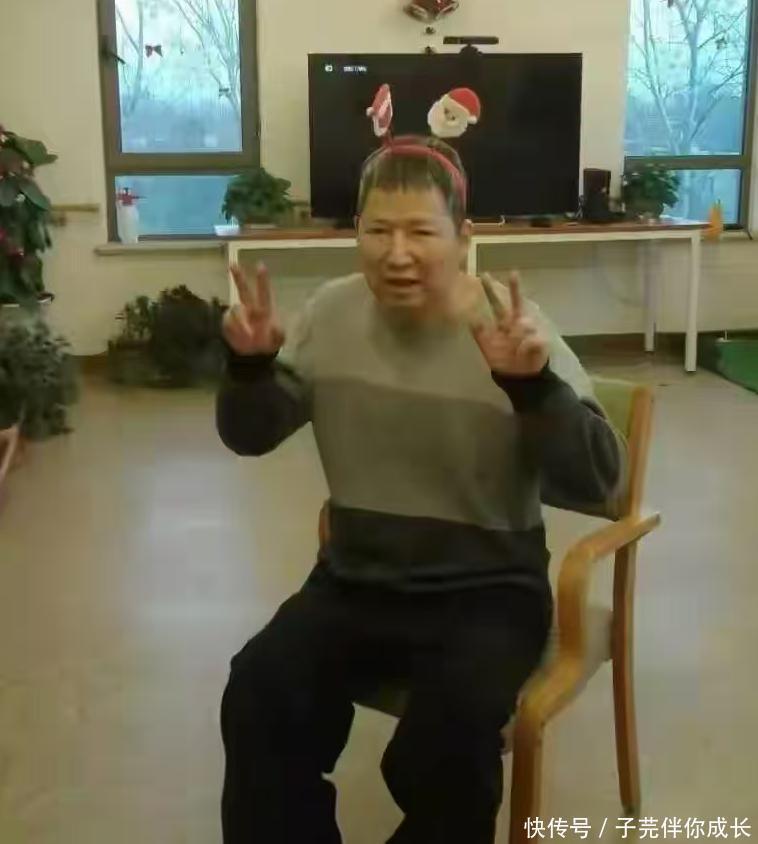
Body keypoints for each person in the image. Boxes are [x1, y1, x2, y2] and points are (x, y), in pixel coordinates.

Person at [216, 135, 624, 844]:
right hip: (355, 581)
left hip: (488, 593)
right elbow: (252, 435)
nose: (396, 253)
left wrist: (532, 388)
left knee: (444, 745)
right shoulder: (330, 313)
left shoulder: (513, 326)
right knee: (261, 689)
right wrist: (249, 370)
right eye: (378, 230)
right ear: (356, 233)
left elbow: (598, 480)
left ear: (463, 236)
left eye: (421, 232)